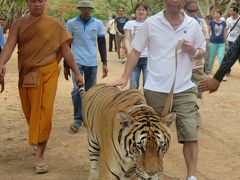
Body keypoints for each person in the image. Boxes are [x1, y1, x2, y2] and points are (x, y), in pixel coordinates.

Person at [109, 0, 206, 179]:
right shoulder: (151, 23)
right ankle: (148, 170)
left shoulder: (193, 24)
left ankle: (192, 176)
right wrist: (124, 77)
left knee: (191, 133)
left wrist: (193, 51)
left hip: (184, 88)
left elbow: (202, 50)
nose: (174, 1)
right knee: (150, 137)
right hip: (155, 89)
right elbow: (136, 51)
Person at [0, 0, 83, 174]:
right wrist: (1, 62)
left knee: (44, 113)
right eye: (33, 0)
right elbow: (9, 46)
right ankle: (37, 138)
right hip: (27, 74)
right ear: (27, 2)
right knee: (31, 112)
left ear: (45, 2)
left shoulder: (54, 25)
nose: (37, 4)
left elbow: (66, 50)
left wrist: (76, 72)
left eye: (41, 1)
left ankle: (40, 156)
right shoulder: (18, 24)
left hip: (48, 73)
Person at [64, 0, 108, 133]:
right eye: (83, 8)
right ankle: (77, 119)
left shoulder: (98, 23)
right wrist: (66, 65)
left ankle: (88, 118)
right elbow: (67, 45)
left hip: (92, 62)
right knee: (77, 90)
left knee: (90, 92)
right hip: (76, 61)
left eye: (88, 8)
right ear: (79, 9)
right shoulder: (71, 23)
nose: (86, 11)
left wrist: (104, 62)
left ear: (91, 10)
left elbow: (101, 43)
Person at [184, 0, 209, 98]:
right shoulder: (178, 23)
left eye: (195, 11)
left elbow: (206, 40)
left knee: (198, 91)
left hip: (197, 64)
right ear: (184, 9)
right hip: (183, 64)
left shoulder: (201, 22)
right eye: (190, 11)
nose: (193, 14)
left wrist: (199, 53)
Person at [124, 2, 148, 89]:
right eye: (139, 10)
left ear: (146, 12)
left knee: (148, 85)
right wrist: (129, 51)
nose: (141, 12)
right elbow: (127, 39)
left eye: (143, 10)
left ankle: (147, 102)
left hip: (147, 58)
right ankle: (133, 102)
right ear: (135, 12)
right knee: (133, 85)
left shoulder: (150, 23)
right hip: (134, 58)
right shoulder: (129, 24)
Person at [207, 10, 227, 80]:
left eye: (217, 13)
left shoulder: (224, 23)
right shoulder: (211, 22)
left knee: (221, 58)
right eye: (215, 13)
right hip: (213, 42)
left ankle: (222, 74)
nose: (215, 15)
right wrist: (207, 41)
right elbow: (208, 32)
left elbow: (225, 33)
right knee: (211, 58)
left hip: (221, 43)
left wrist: (225, 41)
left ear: (220, 15)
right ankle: (209, 72)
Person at [225, 6, 240, 76]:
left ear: (235, 11)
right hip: (230, 40)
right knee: (230, 56)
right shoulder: (228, 19)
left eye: (231, 11)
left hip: (238, 41)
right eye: (229, 10)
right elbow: (226, 28)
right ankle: (228, 71)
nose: (229, 12)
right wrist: (225, 36)